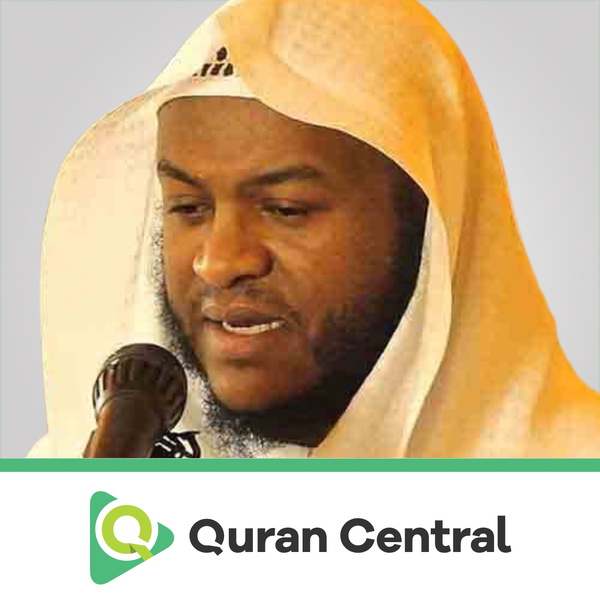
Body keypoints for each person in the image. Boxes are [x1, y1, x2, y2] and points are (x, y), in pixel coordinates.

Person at [30, 0, 600, 458]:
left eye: (285, 209)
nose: (218, 262)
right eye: (189, 207)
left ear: (430, 227)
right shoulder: (93, 476)